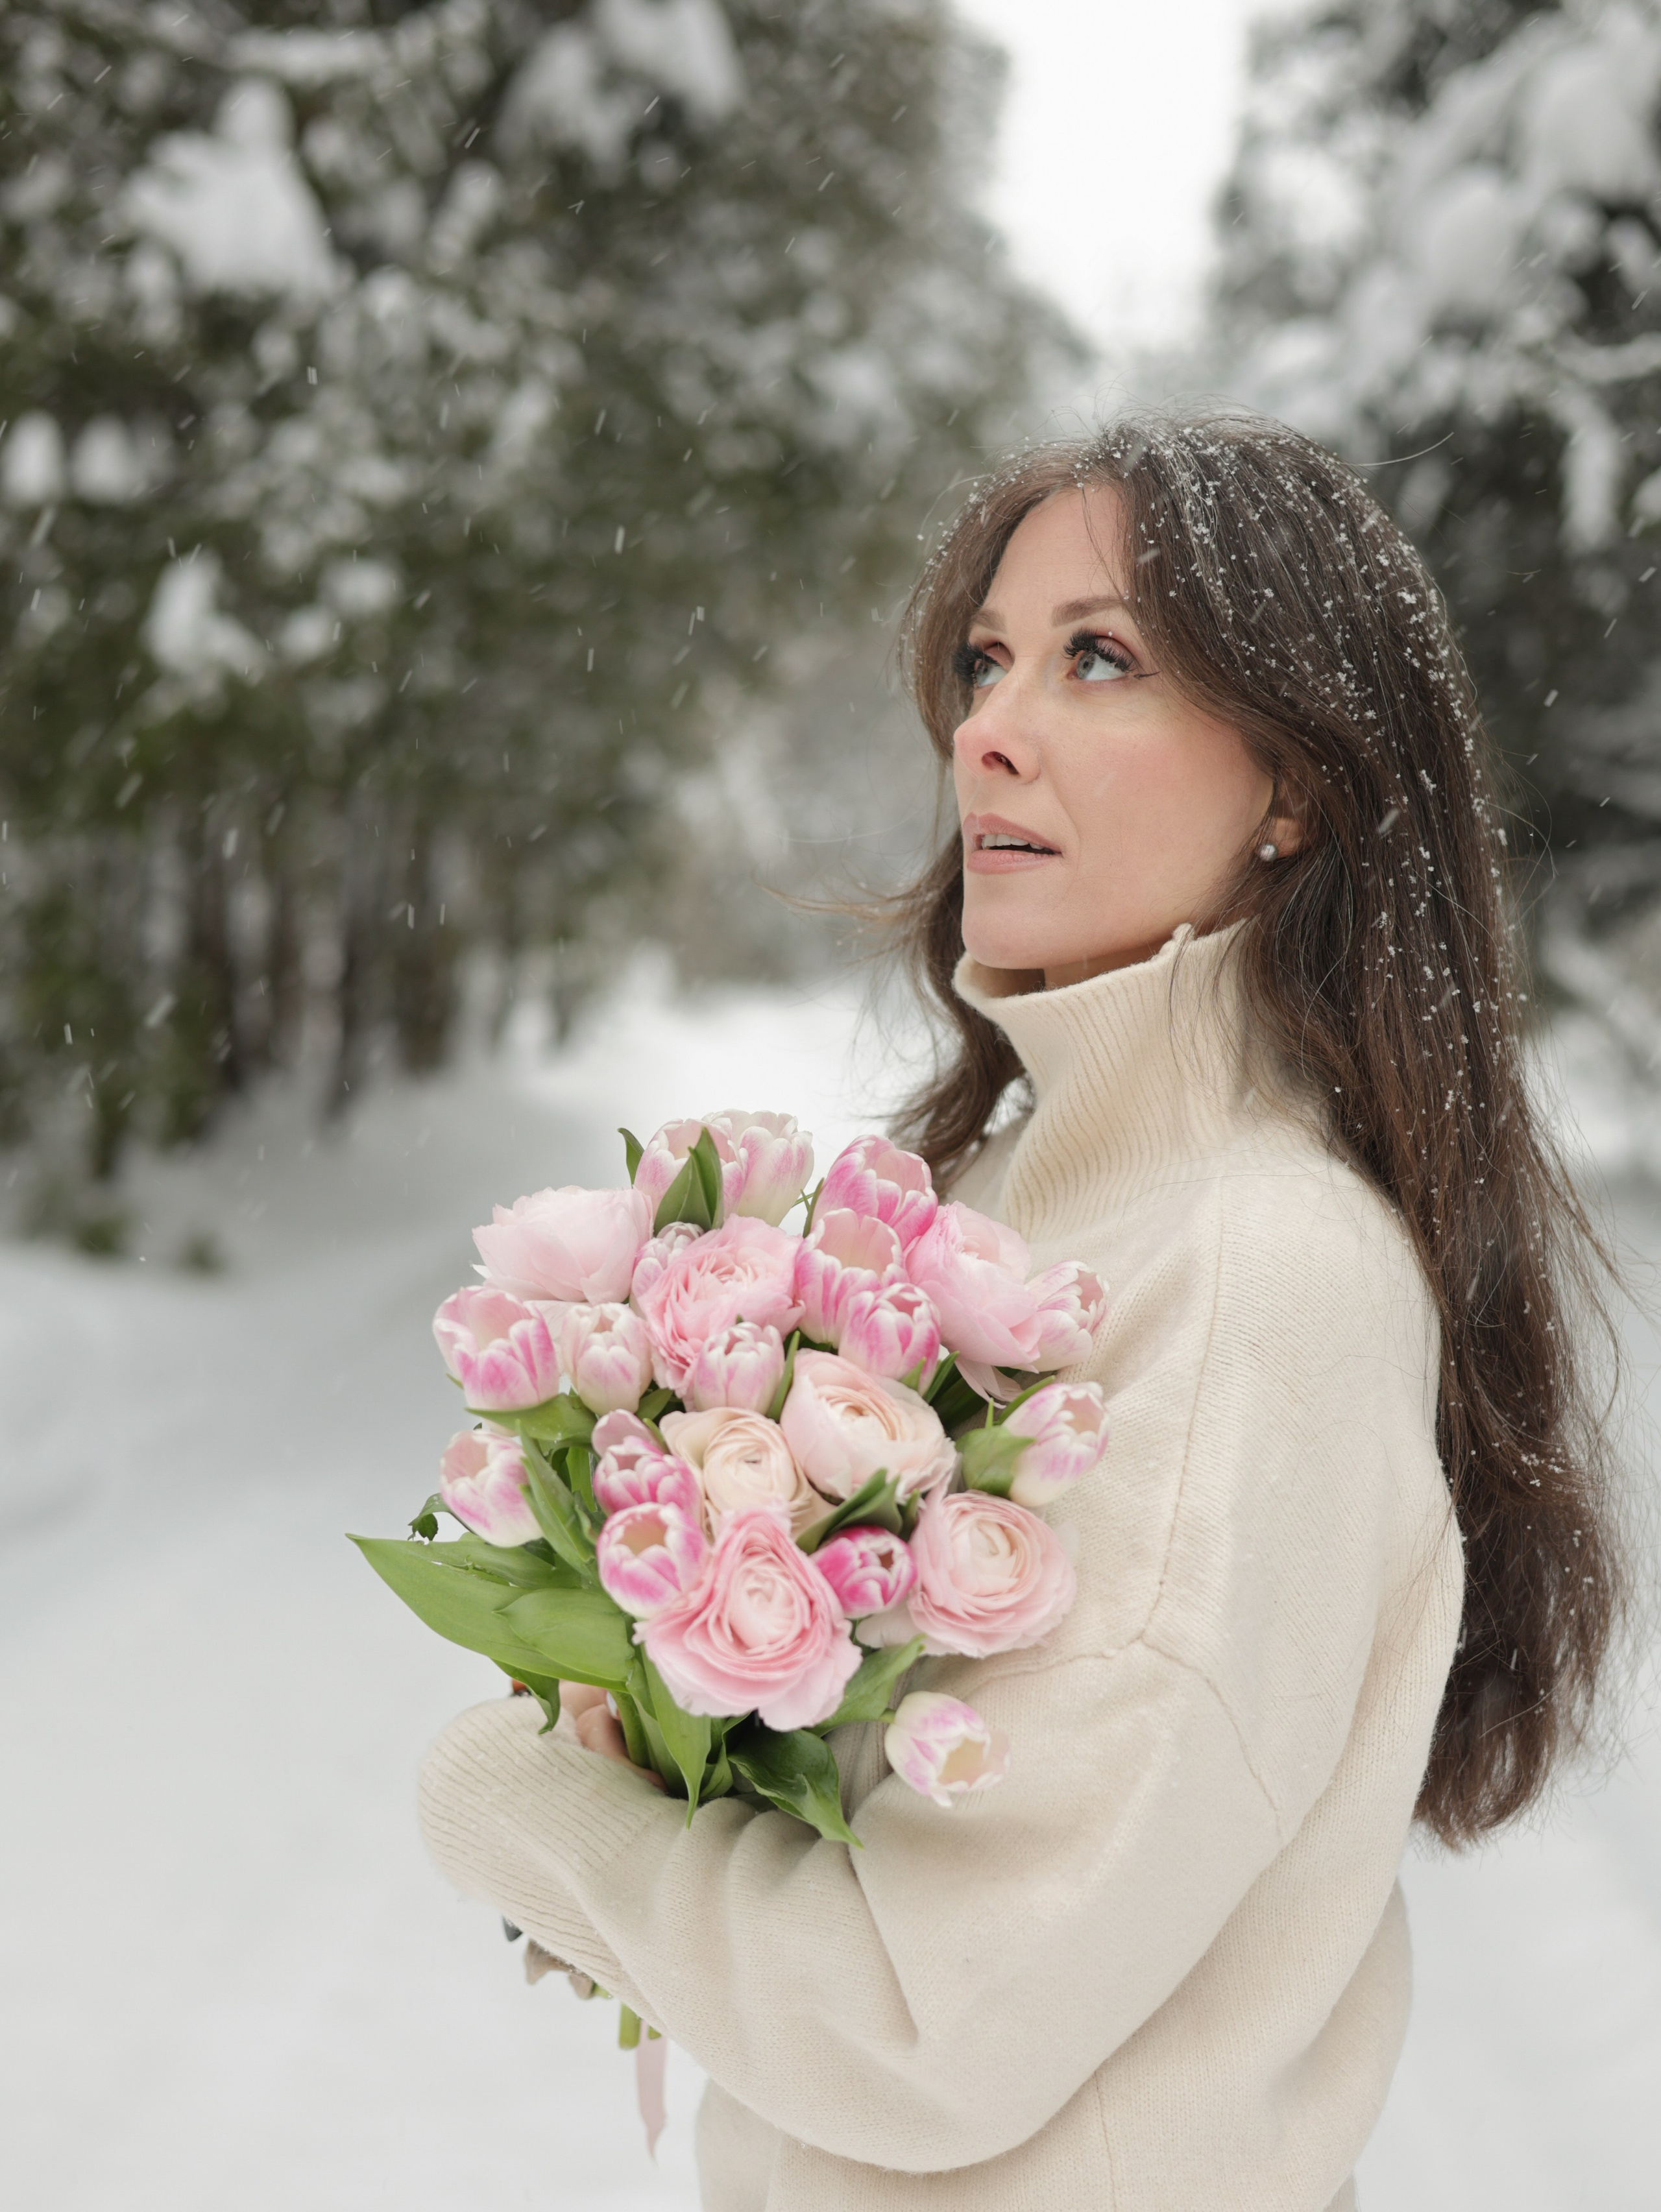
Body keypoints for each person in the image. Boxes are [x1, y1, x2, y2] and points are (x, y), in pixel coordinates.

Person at [416, 408, 1627, 2209]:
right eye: (988, 657)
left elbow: (926, 2019)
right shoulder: (1017, 1207)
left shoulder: (1257, 1276)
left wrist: (515, 1793)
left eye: (1100, 658)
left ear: (1296, 781)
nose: (988, 725)